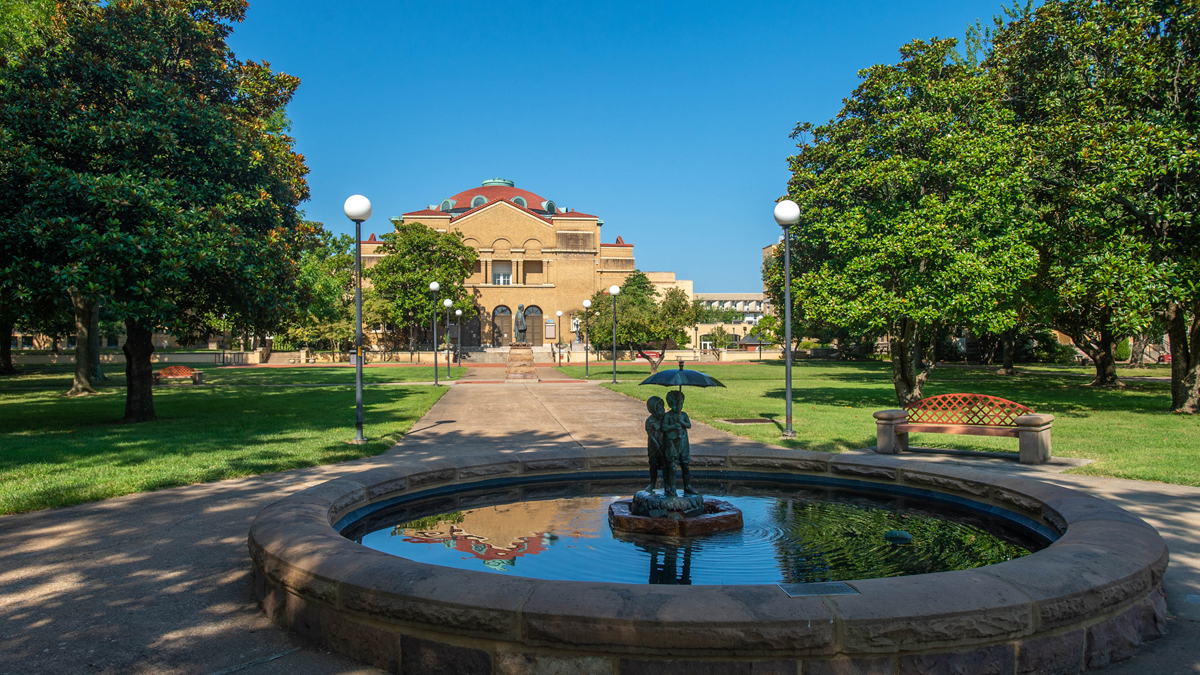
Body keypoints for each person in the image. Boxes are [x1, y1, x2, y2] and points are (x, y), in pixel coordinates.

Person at [663, 390, 697, 495]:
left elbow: (689, 425)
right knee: (672, 466)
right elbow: (664, 427)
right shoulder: (668, 416)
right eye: (675, 404)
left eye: (681, 404)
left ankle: (687, 486)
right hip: (672, 443)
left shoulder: (683, 415)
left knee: (685, 465)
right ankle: (672, 487)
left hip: (683, 441)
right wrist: (673, 426)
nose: (679, 407)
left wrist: (681, 422)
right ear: (669, 404)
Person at [644, 397, 666, 491]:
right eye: (659, 409)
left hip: (664, 444)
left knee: (666, 463)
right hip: (653, 445)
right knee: (653, 464)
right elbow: (650, 434)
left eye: (662, 408)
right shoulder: (649, 421)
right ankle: (652, 483)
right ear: (653, 410)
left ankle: (667, 483)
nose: (662, 410)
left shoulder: (665, 418)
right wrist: (656, 444)